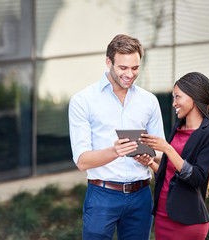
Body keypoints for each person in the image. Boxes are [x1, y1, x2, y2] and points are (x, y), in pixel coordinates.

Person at [68, 34, 165, 240]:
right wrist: (114, 151)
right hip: (102, 196)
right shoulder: (83, 101)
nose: (129, 74)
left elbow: (161, 153)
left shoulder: (149, 101)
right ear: (108, 62)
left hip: (141, 195)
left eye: (135, 68)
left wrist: (149, 157)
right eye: (123, 68)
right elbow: (82, 160)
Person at [135, 72, 209, 240]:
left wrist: (167, 149)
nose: (174, 103)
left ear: (194, 96)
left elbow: (196, 177)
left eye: (178, 97)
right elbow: (171, 173)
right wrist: (150, 162)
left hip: (187, 221)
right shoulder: (178, 127)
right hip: (163, 215)